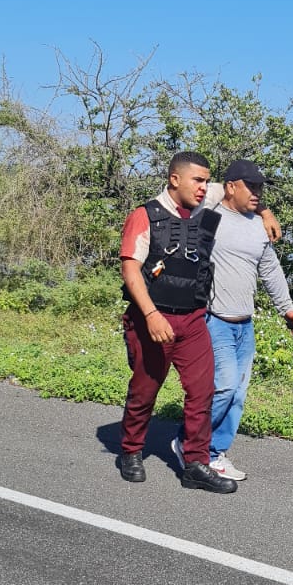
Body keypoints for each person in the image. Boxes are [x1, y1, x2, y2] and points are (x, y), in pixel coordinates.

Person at [171, 159, 293, 480]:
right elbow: (200, 194)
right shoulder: (209, 217)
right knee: (223, 387)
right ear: (231, 187)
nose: (258, 194)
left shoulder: (258, 226)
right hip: (214, 319)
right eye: (252, 187)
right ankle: (190, 443)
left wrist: (287, 308)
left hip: (245, 324)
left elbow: (270, 270)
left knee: (238, 394)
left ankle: (214, 451)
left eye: (261, 188)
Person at [118, 151, 239, 492]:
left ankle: (196, 463)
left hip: (193, 320)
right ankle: (130, 450)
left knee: (202, 393)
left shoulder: (203, 201)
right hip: (152, 320)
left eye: (206, 181)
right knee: (145, 391)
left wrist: (265, 211)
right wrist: (151, 315)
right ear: (174, 179)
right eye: (197, 181)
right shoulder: (145, 216)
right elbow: (130, 270)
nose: (204, 188)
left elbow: (238, 188)